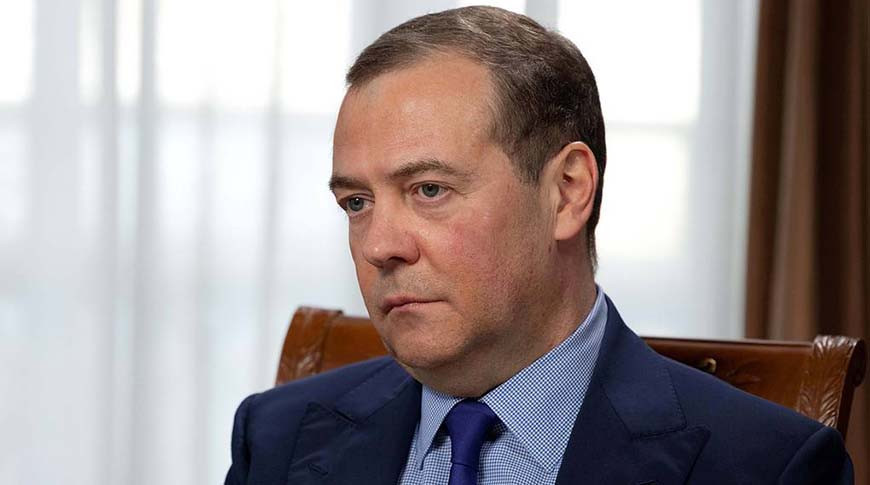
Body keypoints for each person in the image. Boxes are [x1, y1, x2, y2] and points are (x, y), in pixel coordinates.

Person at [224, 6, 852, 484]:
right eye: (357, 203)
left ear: (567, 192)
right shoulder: (275, 438)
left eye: (429, 189)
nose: (379, 246)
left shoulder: (768, 466)